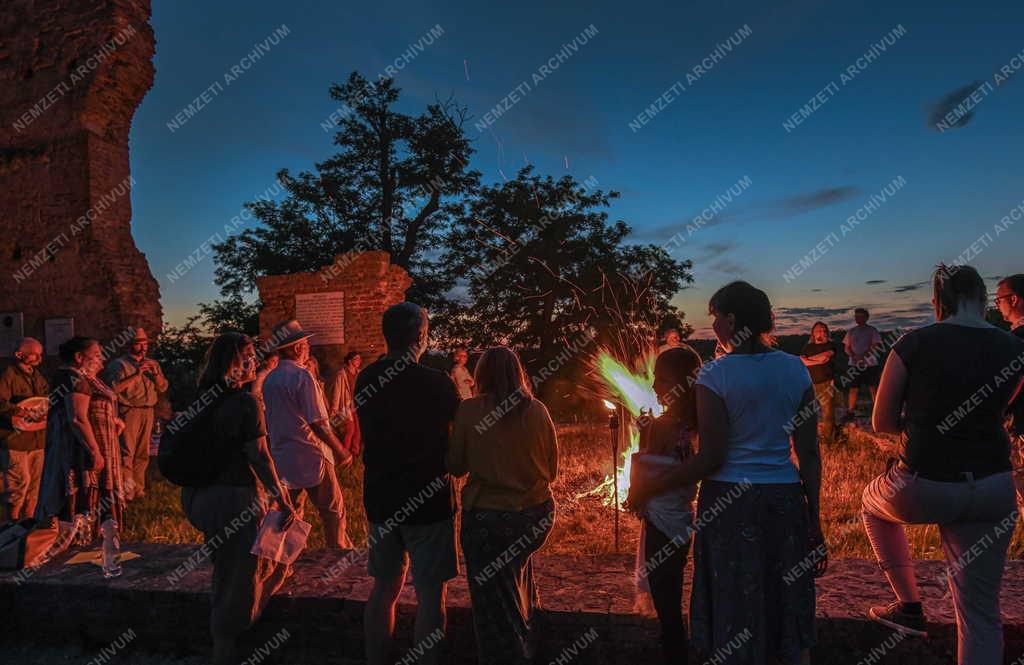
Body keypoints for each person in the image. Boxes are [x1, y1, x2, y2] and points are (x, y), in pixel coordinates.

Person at [627, 281, 824, 665]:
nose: (713, 324)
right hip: (784, 499)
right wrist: (813, 516)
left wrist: (649, 487)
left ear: (732, 320)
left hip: (730, 504)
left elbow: (712, 457)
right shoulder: (795, 370)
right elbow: (809, 454)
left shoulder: (714, 376)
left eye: (716, 316)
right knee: (785, 598)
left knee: (734, 602)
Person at [862, 265, 1023, 665]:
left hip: (924, 483)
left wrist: (918, 423)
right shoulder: (1015, 348)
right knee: (979, 615)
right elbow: (1003, 408)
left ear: (939, 302)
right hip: (993, 487)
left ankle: (908, 605)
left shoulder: (913, 343)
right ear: (984, 300)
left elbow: (881, 422)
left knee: (871, 503)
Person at [180, 332, 297, 665]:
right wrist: (282, 497)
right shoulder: (245, 403)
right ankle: (224, 654)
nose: (255, 362)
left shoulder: (203, 396)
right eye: (249, 356)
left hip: (197, 496)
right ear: (236, 361)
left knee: (228, 571)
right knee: (235, 586)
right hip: (231, 498)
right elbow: (259, 455)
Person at [357, 302, 460, 665]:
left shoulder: (366, 378)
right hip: (429, 500)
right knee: (431, 595)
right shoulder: (438, 383)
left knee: (384, 587)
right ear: (420, 336)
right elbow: (458, 438)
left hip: (382, 498)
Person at [448, 346, 558, 665]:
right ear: (518, 374)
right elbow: (551, 471)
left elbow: (456, 466)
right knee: (515, 579)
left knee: (492, 605)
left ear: (481, 376)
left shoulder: (469, 411)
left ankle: (506, 654)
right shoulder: (537, 410)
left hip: (489, 521)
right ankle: (526, 640)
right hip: (534, 517)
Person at [626, 346, 702, 665]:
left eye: (661, 378)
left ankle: (674, 648)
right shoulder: (699, 422)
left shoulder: (667, 426)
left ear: (680, 382)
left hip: (662, 517)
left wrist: (636, 494)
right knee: (669, 584)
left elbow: (648, 469)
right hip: (682, 516)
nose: (654, 386)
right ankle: (673, 642)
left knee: (665, 590)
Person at [35, 337, 127, 574]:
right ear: (79, 357)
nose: (101, 358)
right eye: (96, 354)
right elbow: (77, 418)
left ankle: (99, 559)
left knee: (96, 506)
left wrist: (111, 420)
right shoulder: (75, 378)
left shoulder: (78, 377)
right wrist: (95, 450)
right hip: (79, 454)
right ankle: (61, 563)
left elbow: (90, 410)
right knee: (82, 505)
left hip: (88, 448)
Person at [262, 320, 354, 549]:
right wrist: (340, 449)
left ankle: (281, 557)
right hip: (312, 454)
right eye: (305, 343)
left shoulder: (270, 379)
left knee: (288, 512)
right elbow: (317, 423)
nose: (308, 347)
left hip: (284, 455)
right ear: (296, 348)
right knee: (333, 513)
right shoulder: (302, 378)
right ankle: (337, 557)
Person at [102, 327, 168, 501]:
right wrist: (137, 375)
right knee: (127, 452)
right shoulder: (119, 365)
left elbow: (163, 387)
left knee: (143, 452)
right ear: (129, 345)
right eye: (139, 344)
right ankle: (125, 492)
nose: (143, 347)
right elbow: (113, 390)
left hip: (148, 410)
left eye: (145, 343)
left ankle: (138, 489)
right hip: (129, 411)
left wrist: (155, 375)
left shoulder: (153, 364)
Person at [0, 338, 49, 521]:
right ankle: (11, 520)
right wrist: (18, 410)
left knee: (35, 482)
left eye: (40, 354)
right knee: (19, 481)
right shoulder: (8, 375)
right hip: (15, 438)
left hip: (37, 436)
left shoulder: (37, 375)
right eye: (34, 354)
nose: (38, 358)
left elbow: (46, 398)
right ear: (19, 354)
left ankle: (29, 520)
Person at [800, 321, 838, 444]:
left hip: (826, 383)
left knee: (828, 414)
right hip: (810, 384)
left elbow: (826, 356)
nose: (821, 332)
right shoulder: (808, 347)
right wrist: (816, 360)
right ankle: (809, 439)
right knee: (808, 413)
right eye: (818, 330)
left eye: (823, 330)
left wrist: (809, 359)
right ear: (813, 333)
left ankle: (828, 440)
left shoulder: (831, 345)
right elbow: (802, 361)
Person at [843, 308, 882, 420]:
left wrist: (864, 356)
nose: (858, 318)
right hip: (854, 364)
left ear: (866, 317)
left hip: (870, 364)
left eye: (860, 316)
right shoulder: (851, 331)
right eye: (856, 316)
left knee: (873, 387)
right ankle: (850, 411)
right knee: (853, 388)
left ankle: (877, 410)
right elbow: (846, 348)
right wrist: (854, 356)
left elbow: (875, 346)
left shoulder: (872, 330)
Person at [329, 351, 363, 456]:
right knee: (349, 430)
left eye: (359, 359)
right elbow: (337, 392)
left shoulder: (359, 373)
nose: (359, 361)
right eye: (356, 359)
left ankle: (354, 453)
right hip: (346, 406)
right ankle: (344, 454)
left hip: (358, 404)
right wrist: (334, 409)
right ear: (349, 361)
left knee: (358, 431)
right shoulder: (342, 374)